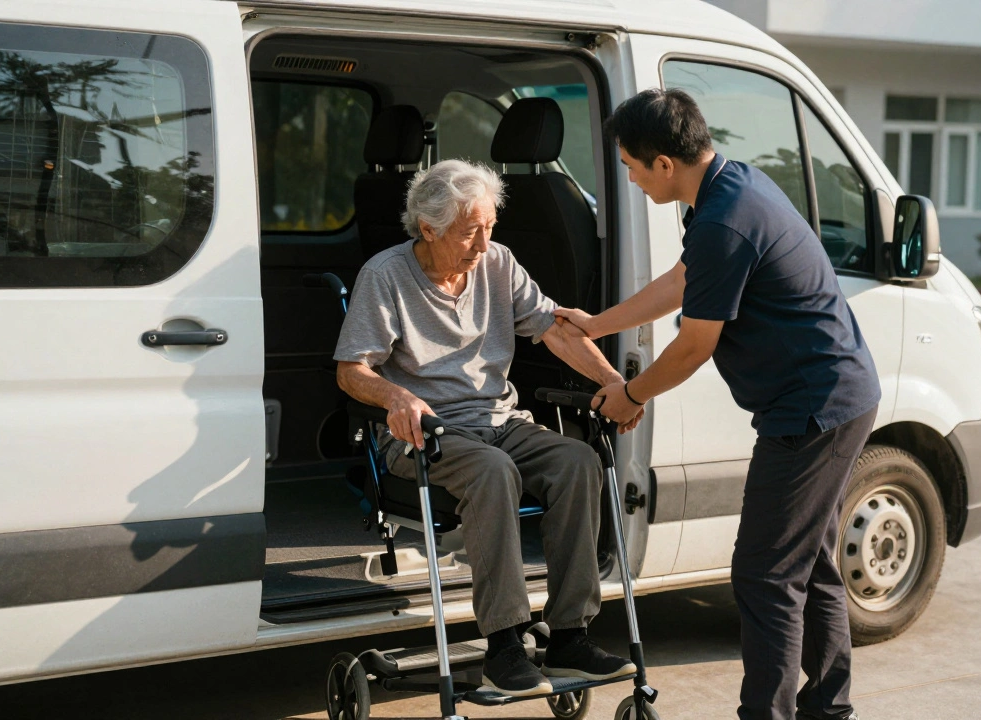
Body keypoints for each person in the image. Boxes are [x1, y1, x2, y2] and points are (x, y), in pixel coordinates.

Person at [553, 89, 880, 720]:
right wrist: (598, 325)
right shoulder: (732, 189)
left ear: (664, 165)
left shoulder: (726, 217)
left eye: (630, 165)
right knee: (806, 562)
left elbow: (695, 344)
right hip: (831, 398)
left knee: (764, 575)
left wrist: (628, 394)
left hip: (813, 411)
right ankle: (830, 709)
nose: (627, 176)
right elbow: (684, 279)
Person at [334, 159, 638, 698]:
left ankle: (570, 634)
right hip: (422, 434)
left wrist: (616, 384)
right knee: (494, 471)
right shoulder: (385, 275)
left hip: (500, 420)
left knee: (578, 462)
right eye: (471, 231)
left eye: (490, 226)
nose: (483, 244)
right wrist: (397, 395)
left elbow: (555, 331)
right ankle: (503, 644)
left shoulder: (498, 263)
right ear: (428, 228)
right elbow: (351, 370)